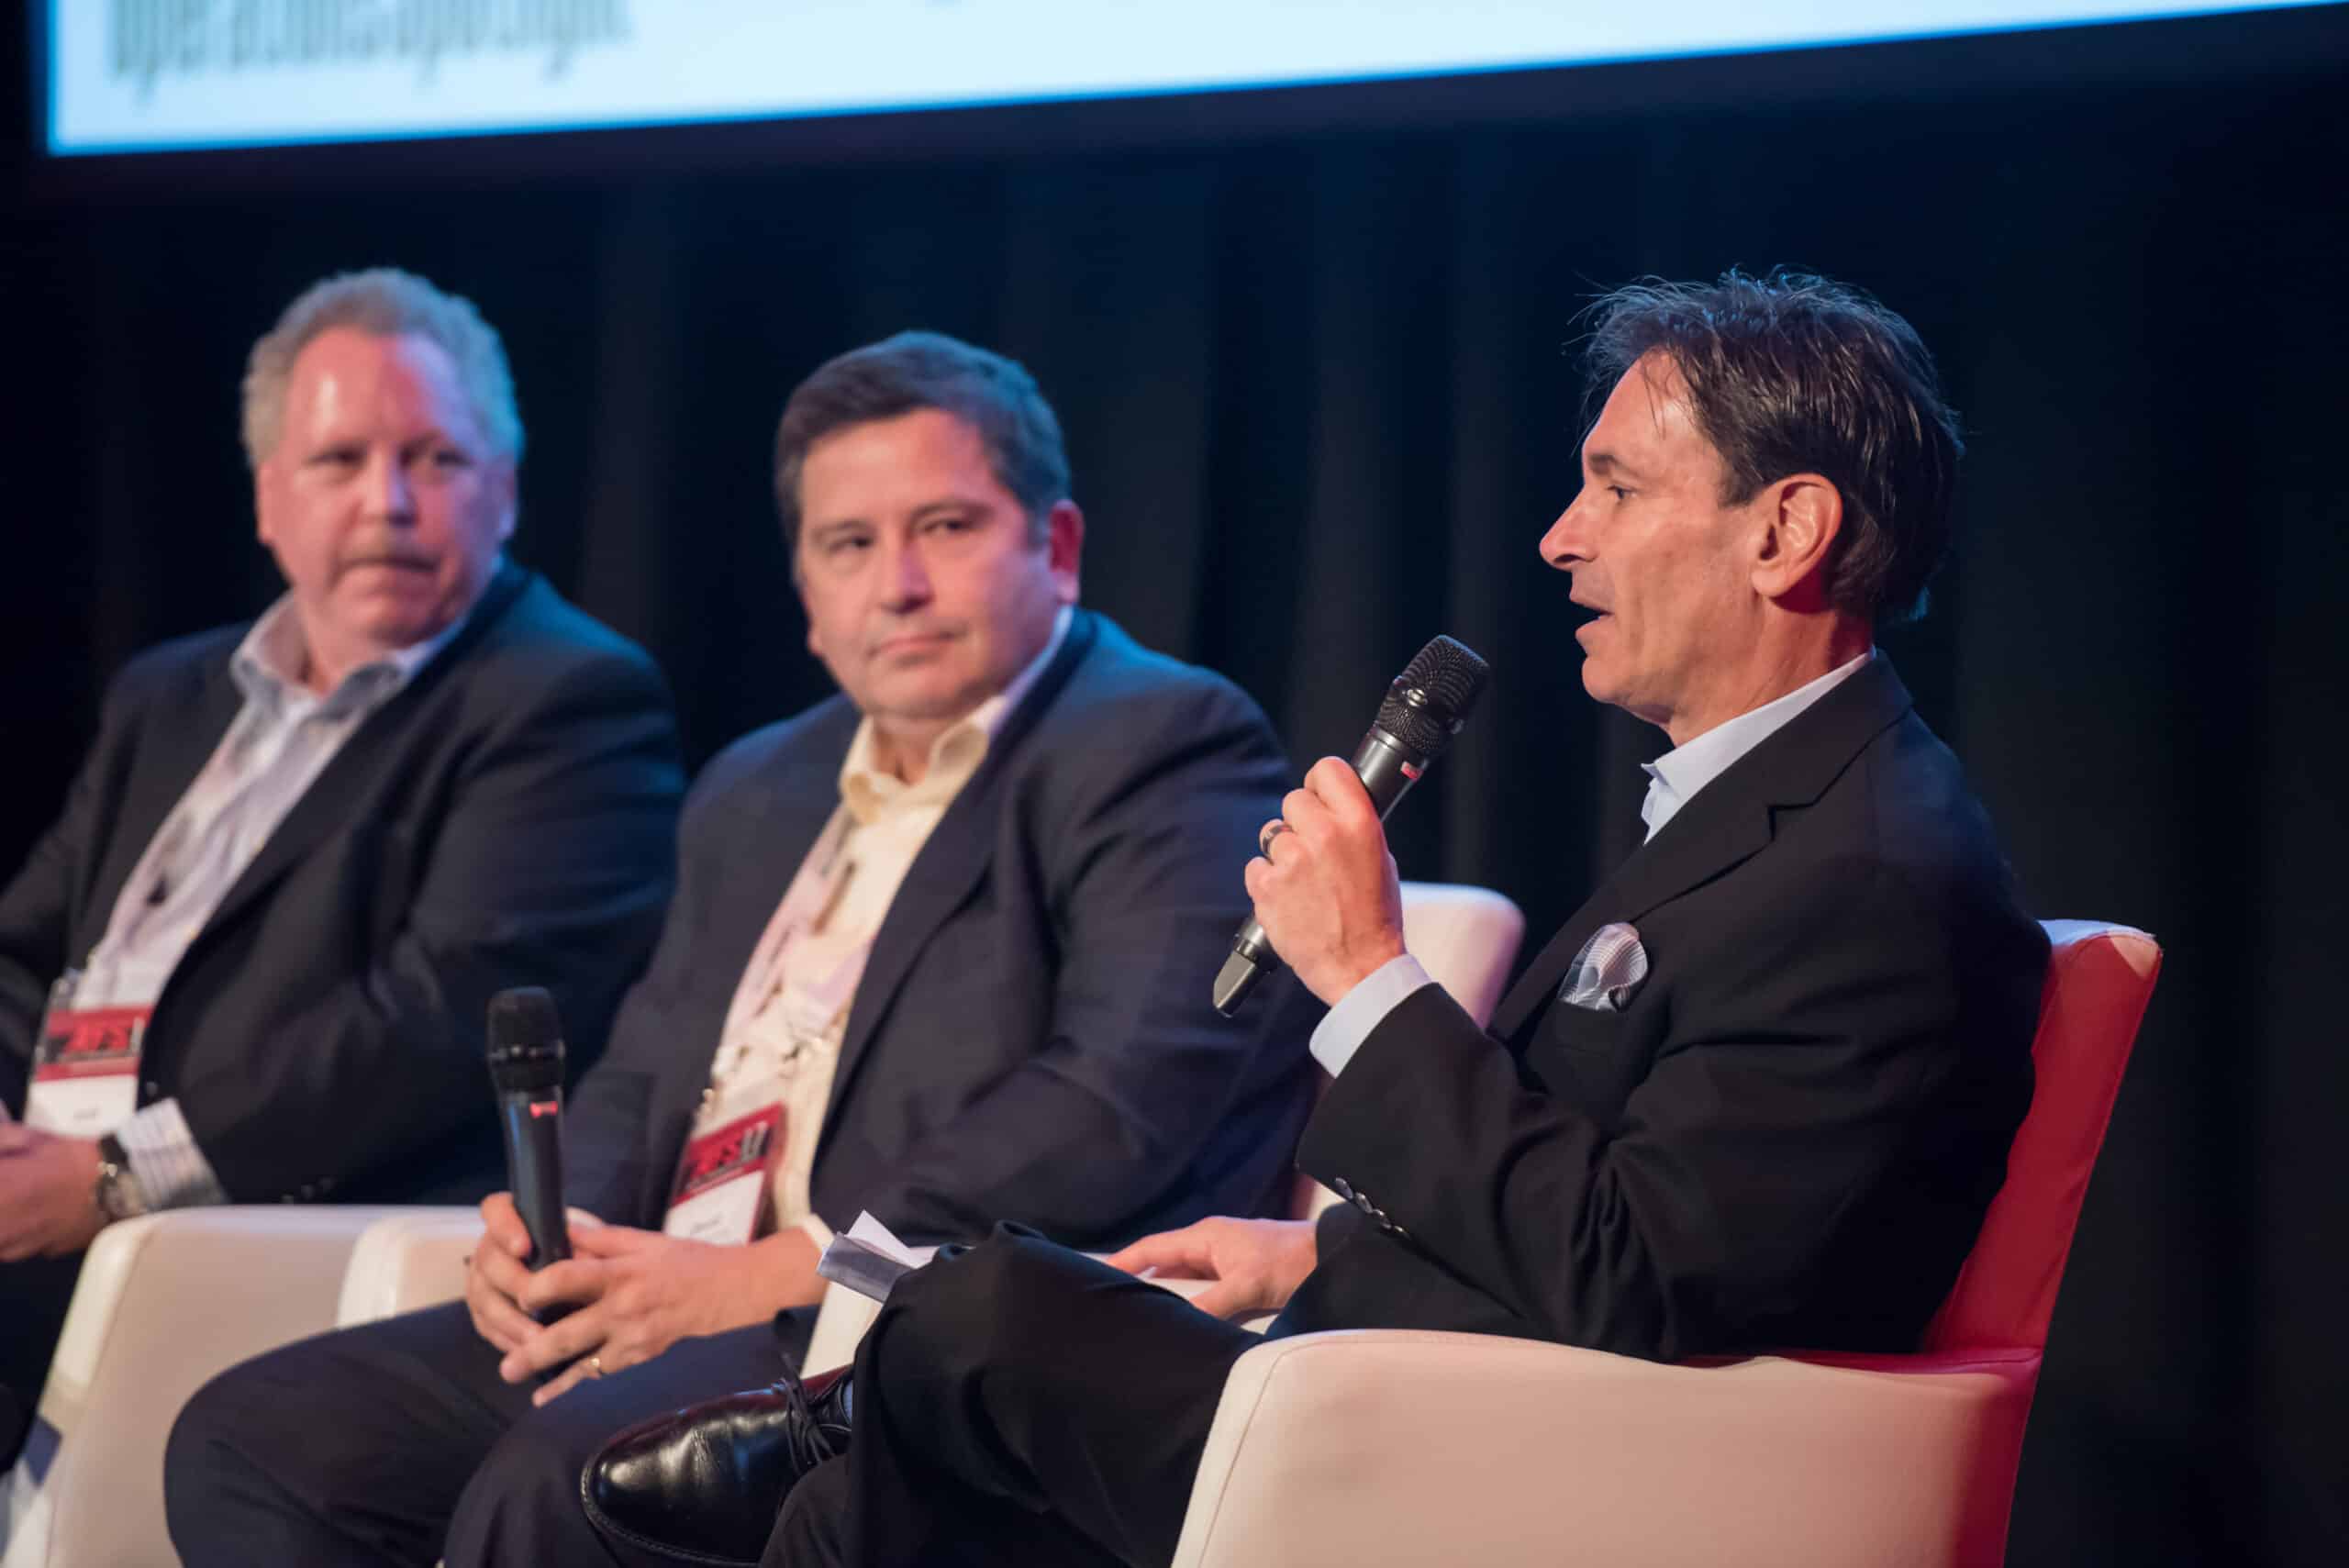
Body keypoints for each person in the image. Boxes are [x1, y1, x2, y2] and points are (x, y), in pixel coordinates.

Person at [583, 269, 2053, 1568]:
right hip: (1449, 1387)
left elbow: (1641, 1274)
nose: (1557, 538)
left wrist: (1365, 975)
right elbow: (1618, 1214)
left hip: (1561, 1469)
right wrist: (1314, 1260)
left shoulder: (1864, 871)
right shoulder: (1767, 814)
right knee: (952, 1376)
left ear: (1784, 527)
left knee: (991, 1324)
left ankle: (844, 1419)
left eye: (1615, 488)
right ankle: (849, 1435)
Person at [161, 331, 1319, 1566]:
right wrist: (554, 1232)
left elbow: (1118, 1101)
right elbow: (645, 1066)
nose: (898, 587)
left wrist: (784, 1265)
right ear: (808, 593)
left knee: (567, 1483)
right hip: (668, 1291)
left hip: (899, 1329)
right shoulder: (758, 781)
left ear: (1061, 546)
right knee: (258, 1441)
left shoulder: (1162, 740)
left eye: (946, 528)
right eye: (850, 545)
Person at [0, 269, 685, 1444]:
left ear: (504, 492)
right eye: (338, 461)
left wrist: (114, 1172)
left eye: (436, 460)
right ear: (270, 498)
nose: (390, 504)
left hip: (251, 1221)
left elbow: (438, 1013)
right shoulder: (172, 694)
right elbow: (23, 954)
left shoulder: (566, 698)